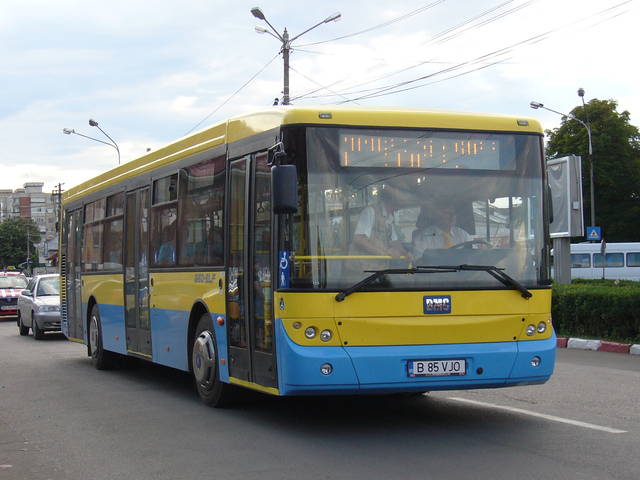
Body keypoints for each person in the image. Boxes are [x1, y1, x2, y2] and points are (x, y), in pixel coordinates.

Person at [349, 188, 410, 270]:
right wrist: (386, 252)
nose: (400, 207)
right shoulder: (370, 211)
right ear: (392, 200)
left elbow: (394, 241)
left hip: (378, 268)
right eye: (400, 201)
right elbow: (359, 239)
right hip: (362, 270)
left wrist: (405, 254)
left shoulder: (390, 217)